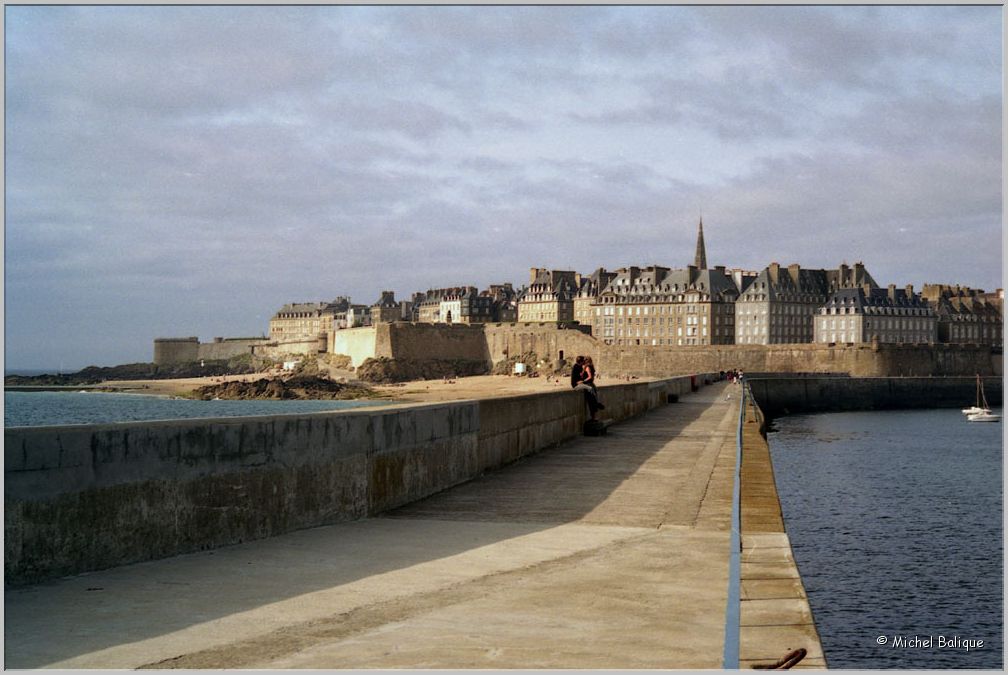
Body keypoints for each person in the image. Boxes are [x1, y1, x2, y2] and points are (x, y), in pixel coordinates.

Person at [570, 355, 601, 420]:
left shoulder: (579, 366)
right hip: (576, 385)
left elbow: (581, 375)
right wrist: (579, 381)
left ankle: (595, 404)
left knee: (591, 390)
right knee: (590, 388)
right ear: (581, 362)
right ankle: (596, 404)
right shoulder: (576, 367)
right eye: (583, 361)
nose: (584, 362)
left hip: (580, 383)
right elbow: (575, 379)